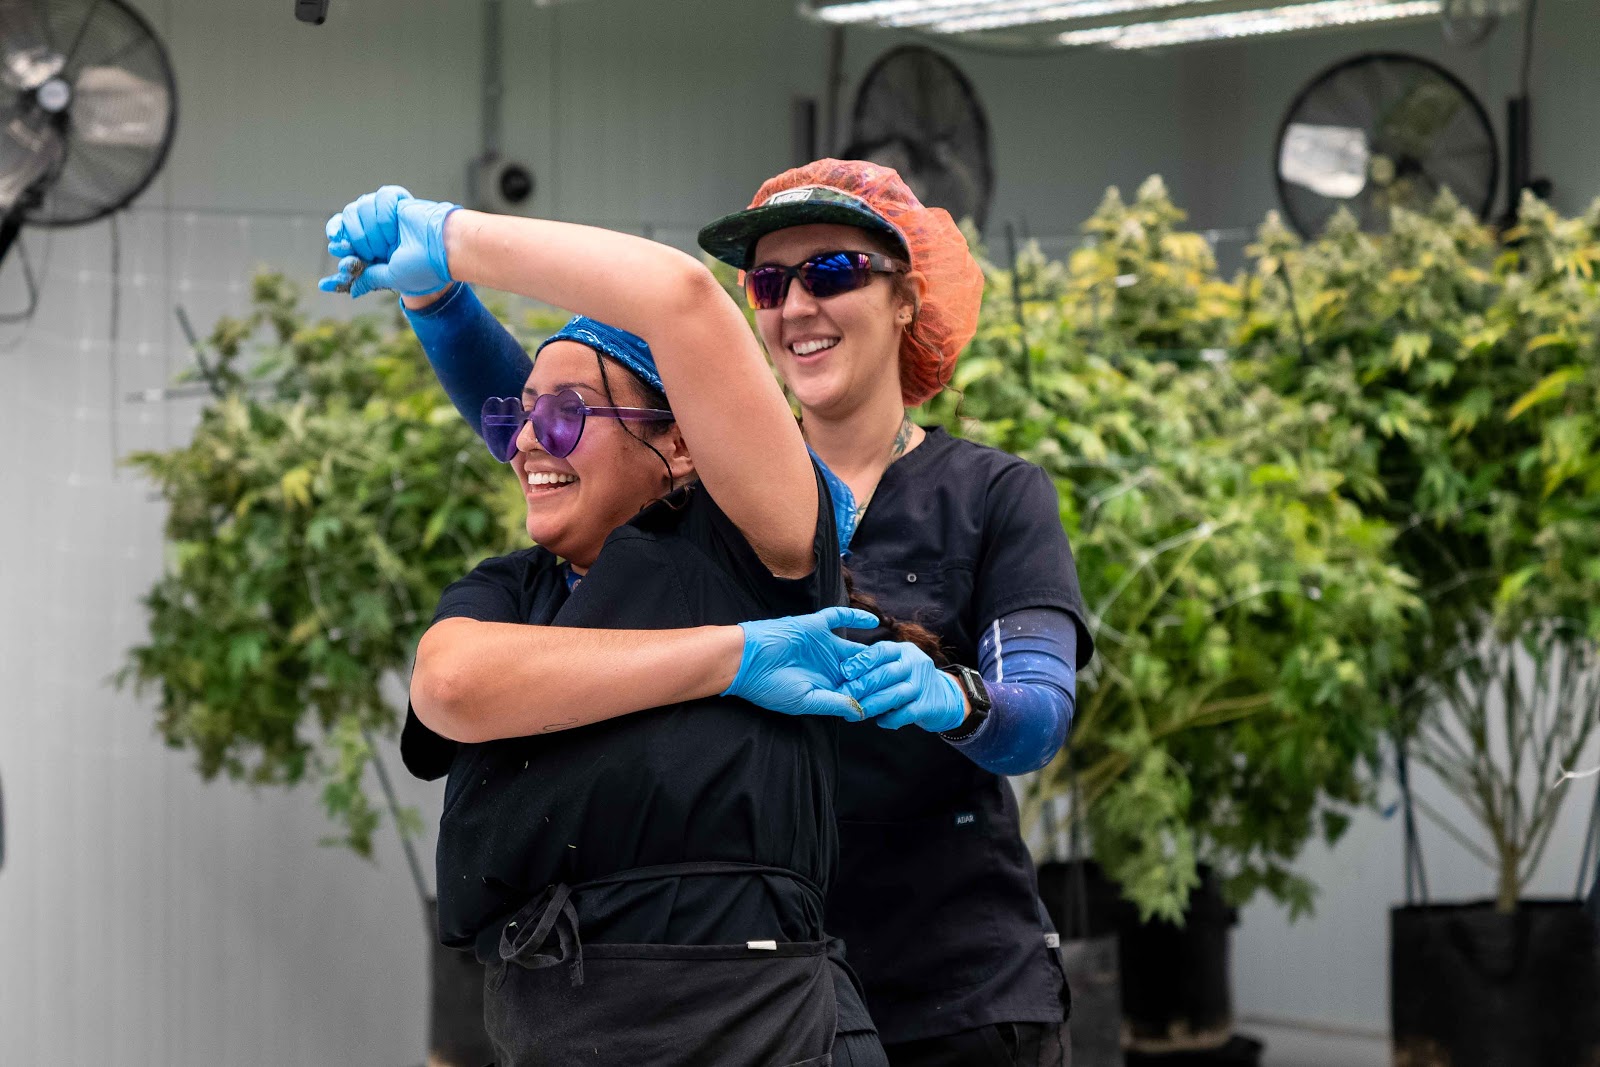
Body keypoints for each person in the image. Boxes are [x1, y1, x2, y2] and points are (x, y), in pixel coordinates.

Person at [337, 159, 1094, 1066]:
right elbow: (573, 428)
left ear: (907, 299)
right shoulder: (705, 516)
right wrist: (439, 303)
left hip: (942, 985)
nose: (795, 304)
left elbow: (1036, 716)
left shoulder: (964, 497)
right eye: (769, 283)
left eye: (835, 272)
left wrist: (960, 701)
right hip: (761, 973)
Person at [323, 191, 893, 1066]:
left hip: (759, 1036)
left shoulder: (757, 554)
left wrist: (453, 239)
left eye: (564, 414)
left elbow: (681, 297)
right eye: (518, 417)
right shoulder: (512, 589)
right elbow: (449, 688)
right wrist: (728, 658)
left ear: (685, 442)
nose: (523, 445)